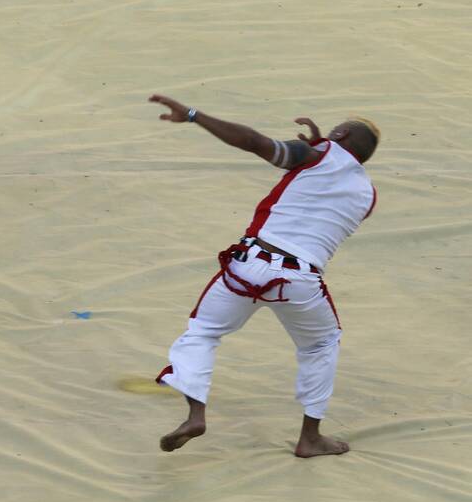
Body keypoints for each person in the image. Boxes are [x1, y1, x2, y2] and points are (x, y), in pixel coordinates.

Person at [148, 94, 380, 458]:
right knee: (320, 345)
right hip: (300, 281)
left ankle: (196, 414)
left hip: (247, 264)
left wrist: (194, 114)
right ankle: (310, 438)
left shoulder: (318, 155)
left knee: (203, 332)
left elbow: (258, 144)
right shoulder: (367, 195)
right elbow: (323, 192)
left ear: (341, 134)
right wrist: (322, 149)